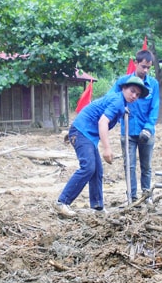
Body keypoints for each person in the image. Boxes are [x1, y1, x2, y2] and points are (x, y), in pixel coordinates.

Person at [55, 76, 149, 217]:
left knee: (97, 170)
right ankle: (62, 202)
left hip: (88, 135)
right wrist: (107, 149)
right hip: (81, 131)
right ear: (123, 88)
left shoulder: (120, 102)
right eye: (132, 91)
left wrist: (124, 110)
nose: (134, 96)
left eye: (137, 94)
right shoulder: (118, 102)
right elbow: (103, 122)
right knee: (88, 167)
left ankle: (98, 207)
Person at [110, 50, 160, 204]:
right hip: (128, 130)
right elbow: (111, 98)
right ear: (136, 63)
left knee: (146, 166)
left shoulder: (153, 85)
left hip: (146, 131)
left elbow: (155, 107)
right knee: (129, 166)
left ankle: (146, 196)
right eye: (143, 66)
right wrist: (119, 109)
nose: (145, 70)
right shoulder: (123, 82)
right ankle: (131, 197)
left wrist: (149, 127)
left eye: (148, 68)